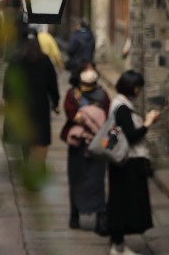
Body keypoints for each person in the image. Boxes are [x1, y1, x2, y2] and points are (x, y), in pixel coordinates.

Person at [106, 70, 162, 255]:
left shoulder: (118, 104)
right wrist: (147, 123)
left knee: (119, 201)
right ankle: (117, 246)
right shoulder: (122, 108)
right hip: (127, 162)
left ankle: (118, 244)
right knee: (123, 203)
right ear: (134, 88)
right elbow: (131, 135)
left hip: (121, 162)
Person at [60, 62, 110, 234]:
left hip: (97, 145)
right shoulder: (72, 94)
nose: (90, 73)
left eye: (91, 69)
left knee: (97, 181)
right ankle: (75, 214)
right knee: (76, 179)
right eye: (86, 70)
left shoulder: (103, 94)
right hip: (78, 145)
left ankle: (100, 214)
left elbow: (109, 117)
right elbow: (71, 114)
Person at [2, 33, 60, 166]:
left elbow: (8, 83)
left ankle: (26, 158)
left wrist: (8, 99)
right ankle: (34, 163)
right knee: (38, 136)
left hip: (21, 105)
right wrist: (55, 102)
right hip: (39, 106)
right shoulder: (45, 61)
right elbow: (53, 84)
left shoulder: (16, 60)